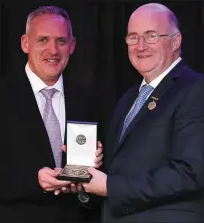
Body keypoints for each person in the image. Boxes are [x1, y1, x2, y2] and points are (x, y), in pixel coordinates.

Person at [81, 3, 204, 222]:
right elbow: (122, 167)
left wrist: (110, 186)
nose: (140, 46)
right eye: (133, 37)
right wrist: (88, 170)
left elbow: (191, 173)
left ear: (176, 41)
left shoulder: (195, 89)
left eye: (151, 36)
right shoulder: (129, 98)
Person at [0, 5, 103, 223]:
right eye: (43, 40)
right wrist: (33, 181)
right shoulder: (0, 97)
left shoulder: (89, 101)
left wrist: (96, 166)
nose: (53, 50)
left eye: (61, 41)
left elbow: (97, 189)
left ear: (72, 45)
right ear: (25, 43)